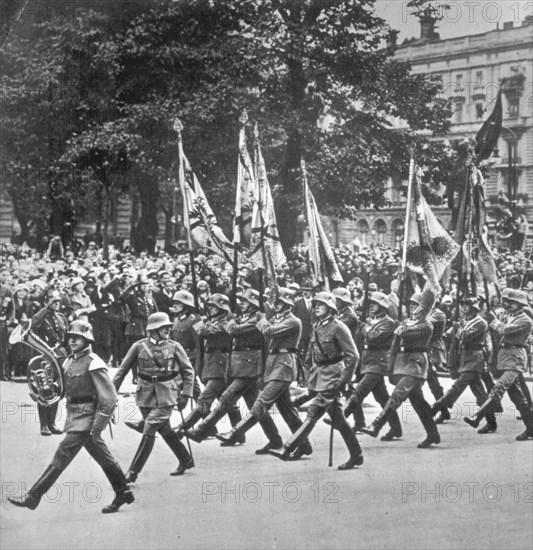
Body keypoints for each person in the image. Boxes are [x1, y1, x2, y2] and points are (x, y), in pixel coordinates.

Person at [8, 320, 134, 514]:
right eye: (71, 338)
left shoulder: (94, 362)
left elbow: (109, 398)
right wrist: (40, 392)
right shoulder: (69, 360)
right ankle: (123, 491)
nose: (73, 341)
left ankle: (33, 496)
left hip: (87, 416)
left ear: (87, 339)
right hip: (74, 414)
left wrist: (98, 425)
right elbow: (62, 391)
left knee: (63, 452)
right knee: (102, 456)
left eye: (78, 338)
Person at [269, 291, 363, 470]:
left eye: (321, 304)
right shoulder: (317, 326)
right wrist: (307, 374)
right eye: (316, 304)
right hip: (320, 374)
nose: (317, 307)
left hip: (334, 375)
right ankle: (356, 455)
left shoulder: (339, 327)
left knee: (314, 410)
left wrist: (344, 380)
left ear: (331, 308)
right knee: (339, 420)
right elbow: (313, 353)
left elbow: (353, 356)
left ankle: (288, 447)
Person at [216, 288, 311, 458]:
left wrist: (260, 319)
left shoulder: (293, 321)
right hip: (273, 365)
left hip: (284, 366)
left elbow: (269, 331)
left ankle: (235, 431)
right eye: (275, 302)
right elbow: (266, 340)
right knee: (287, 410)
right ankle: (303, 443)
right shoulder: (276, 319)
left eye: (279, 302)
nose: (275, 304)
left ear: (288, 304)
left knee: (261, 402)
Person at [187, 288, 284, 452]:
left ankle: (202, 429)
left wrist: (229, 320)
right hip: (240, 364)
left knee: (227, 396)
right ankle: (274, 439)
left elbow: (233, 330)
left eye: (244, 301)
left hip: (250, 365)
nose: (241, 303)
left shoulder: (255, 319)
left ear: (253, 303)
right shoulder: (244, 318)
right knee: (255, 404)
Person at [113, 312, 195, 481]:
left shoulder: (174, 346)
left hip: (167, 394)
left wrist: (186, 394)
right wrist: (111, 394)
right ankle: (185, 460)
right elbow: (121, 371)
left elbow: (188, 372)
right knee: (164, 429)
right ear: (153, 330)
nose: (168, 330)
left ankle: (133, 473)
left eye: (168, 327)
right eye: (163, 327)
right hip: (144, 395)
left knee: (150, 427)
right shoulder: (138, 346)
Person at [361, 286, 440, 448]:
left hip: (416, 364)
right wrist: (390, 369)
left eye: (415, 305)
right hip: (403, 363)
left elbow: (412, 333)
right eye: (410, 304)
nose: (411, 307)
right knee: (418, 402)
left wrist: (402, 329)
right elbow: (394, 347)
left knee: (397, 395)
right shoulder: (406, 322)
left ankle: (377, 424)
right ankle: (433, 434)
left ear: (424, 307)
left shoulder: (426, 324)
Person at [464, 289, 533, 440]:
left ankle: (477, 417)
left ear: (521, 304)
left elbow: (504, 330)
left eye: (514, 302)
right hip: (505, 359)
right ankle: (531, 428)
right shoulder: (509, 316)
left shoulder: (526, 320)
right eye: (510, 302)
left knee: (499, 387)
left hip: (515, 360)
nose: (510, 304)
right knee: (517, 397)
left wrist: (494, 320)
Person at [332, 292, 402, 441]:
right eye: (370, 304)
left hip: (378, 362)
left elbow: (373, 337)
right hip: (368, 362)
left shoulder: (389, 322)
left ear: (383, 307)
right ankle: (396, 428)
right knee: (382, 397)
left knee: (359, 391)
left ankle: (341, 416)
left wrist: (363, 326)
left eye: (375, 304)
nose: (371, 307)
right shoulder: (372, 321)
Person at [172, 294, 243, 441]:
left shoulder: (226, 322)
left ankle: (181, 428)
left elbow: (203, 332)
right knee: (226, 400)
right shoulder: (211, 321)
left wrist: (195, 319)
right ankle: (239, 434)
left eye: (213, 306)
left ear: (221, 308)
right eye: (208, 306)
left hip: (221, 363)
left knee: (204, 399)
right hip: (211, 362)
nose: (209, 309)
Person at [431, 296, 497, 433]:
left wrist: (458, 329)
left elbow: (465, 336)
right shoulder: (463, 321)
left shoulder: (481, 322)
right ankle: (491, 422)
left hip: (475, 359)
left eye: (467, 305)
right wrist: (450, 331)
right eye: (462, 304)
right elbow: (450, 336)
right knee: (480, 393)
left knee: (458, 386)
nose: (464, 307)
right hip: (464, 358)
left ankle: (436, 407)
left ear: (474, 308)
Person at [31, 290, 69, 436]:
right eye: (53, 301)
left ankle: (52, 422)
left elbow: (65, 338)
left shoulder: (61, 317)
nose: (57, 304)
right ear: (47, 301)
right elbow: (33, 325)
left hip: (60, 355)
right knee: (44, 388)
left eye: (58, 301)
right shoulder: (41, 316)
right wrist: (46, 307)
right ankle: (44, 425)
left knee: (57, 389)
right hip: (44, 356)